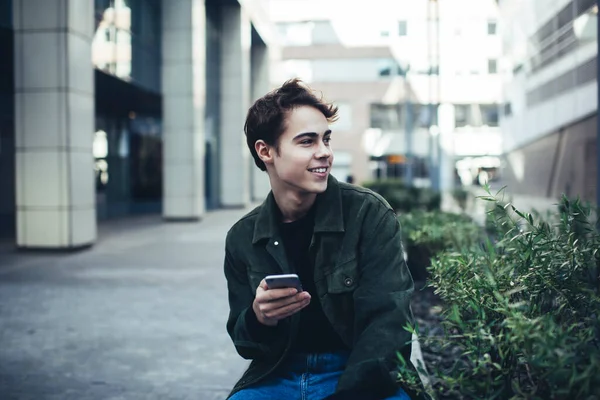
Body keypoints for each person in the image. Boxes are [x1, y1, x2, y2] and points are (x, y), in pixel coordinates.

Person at [223, 79, 425, 400]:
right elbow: (246, 344)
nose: (325, 153)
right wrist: (260, 317)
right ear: (266, 151)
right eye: (307, 142)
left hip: (360, 369)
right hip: (278, 372)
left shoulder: (368, 213)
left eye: (326, 139)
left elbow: (389, 326)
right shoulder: (242, 237)